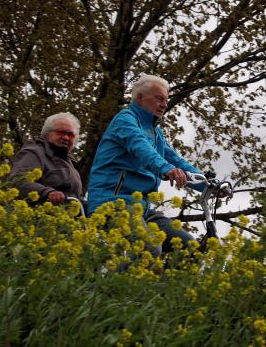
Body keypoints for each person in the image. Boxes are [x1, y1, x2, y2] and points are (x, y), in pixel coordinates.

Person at [87, 74, 203, 257]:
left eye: (166, 100)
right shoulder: (125, 119)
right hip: (112, 203)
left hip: (142, 208)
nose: (164, 104)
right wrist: (166, 169)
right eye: (159, 98)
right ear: (140, 97)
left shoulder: (156, 133)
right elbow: (142, 148)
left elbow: (175, 160)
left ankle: (159, 285)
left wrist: (208, 184)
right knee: (149, 248)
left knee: (189, 248)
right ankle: (112, 286)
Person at [9, 112, 84, 205]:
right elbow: (18, 180)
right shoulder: (34, 153)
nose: (65, 137)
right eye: (61, 132)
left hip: (67, 217)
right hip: (38, 216)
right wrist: (48, 193)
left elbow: (75, 195)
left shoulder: (71, 162)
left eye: (70, 134)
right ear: (47, 133)